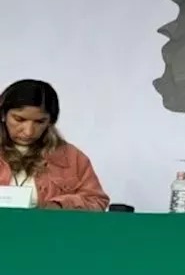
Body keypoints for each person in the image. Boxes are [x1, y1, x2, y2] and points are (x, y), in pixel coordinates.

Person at [0, 80, 108, 211]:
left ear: (51, 121)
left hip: (49, 225)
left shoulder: (72, 157)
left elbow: (97, 201)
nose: (28, 131)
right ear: (3, 115)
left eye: (40, 122)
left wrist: (61, 205)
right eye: (19, 119)